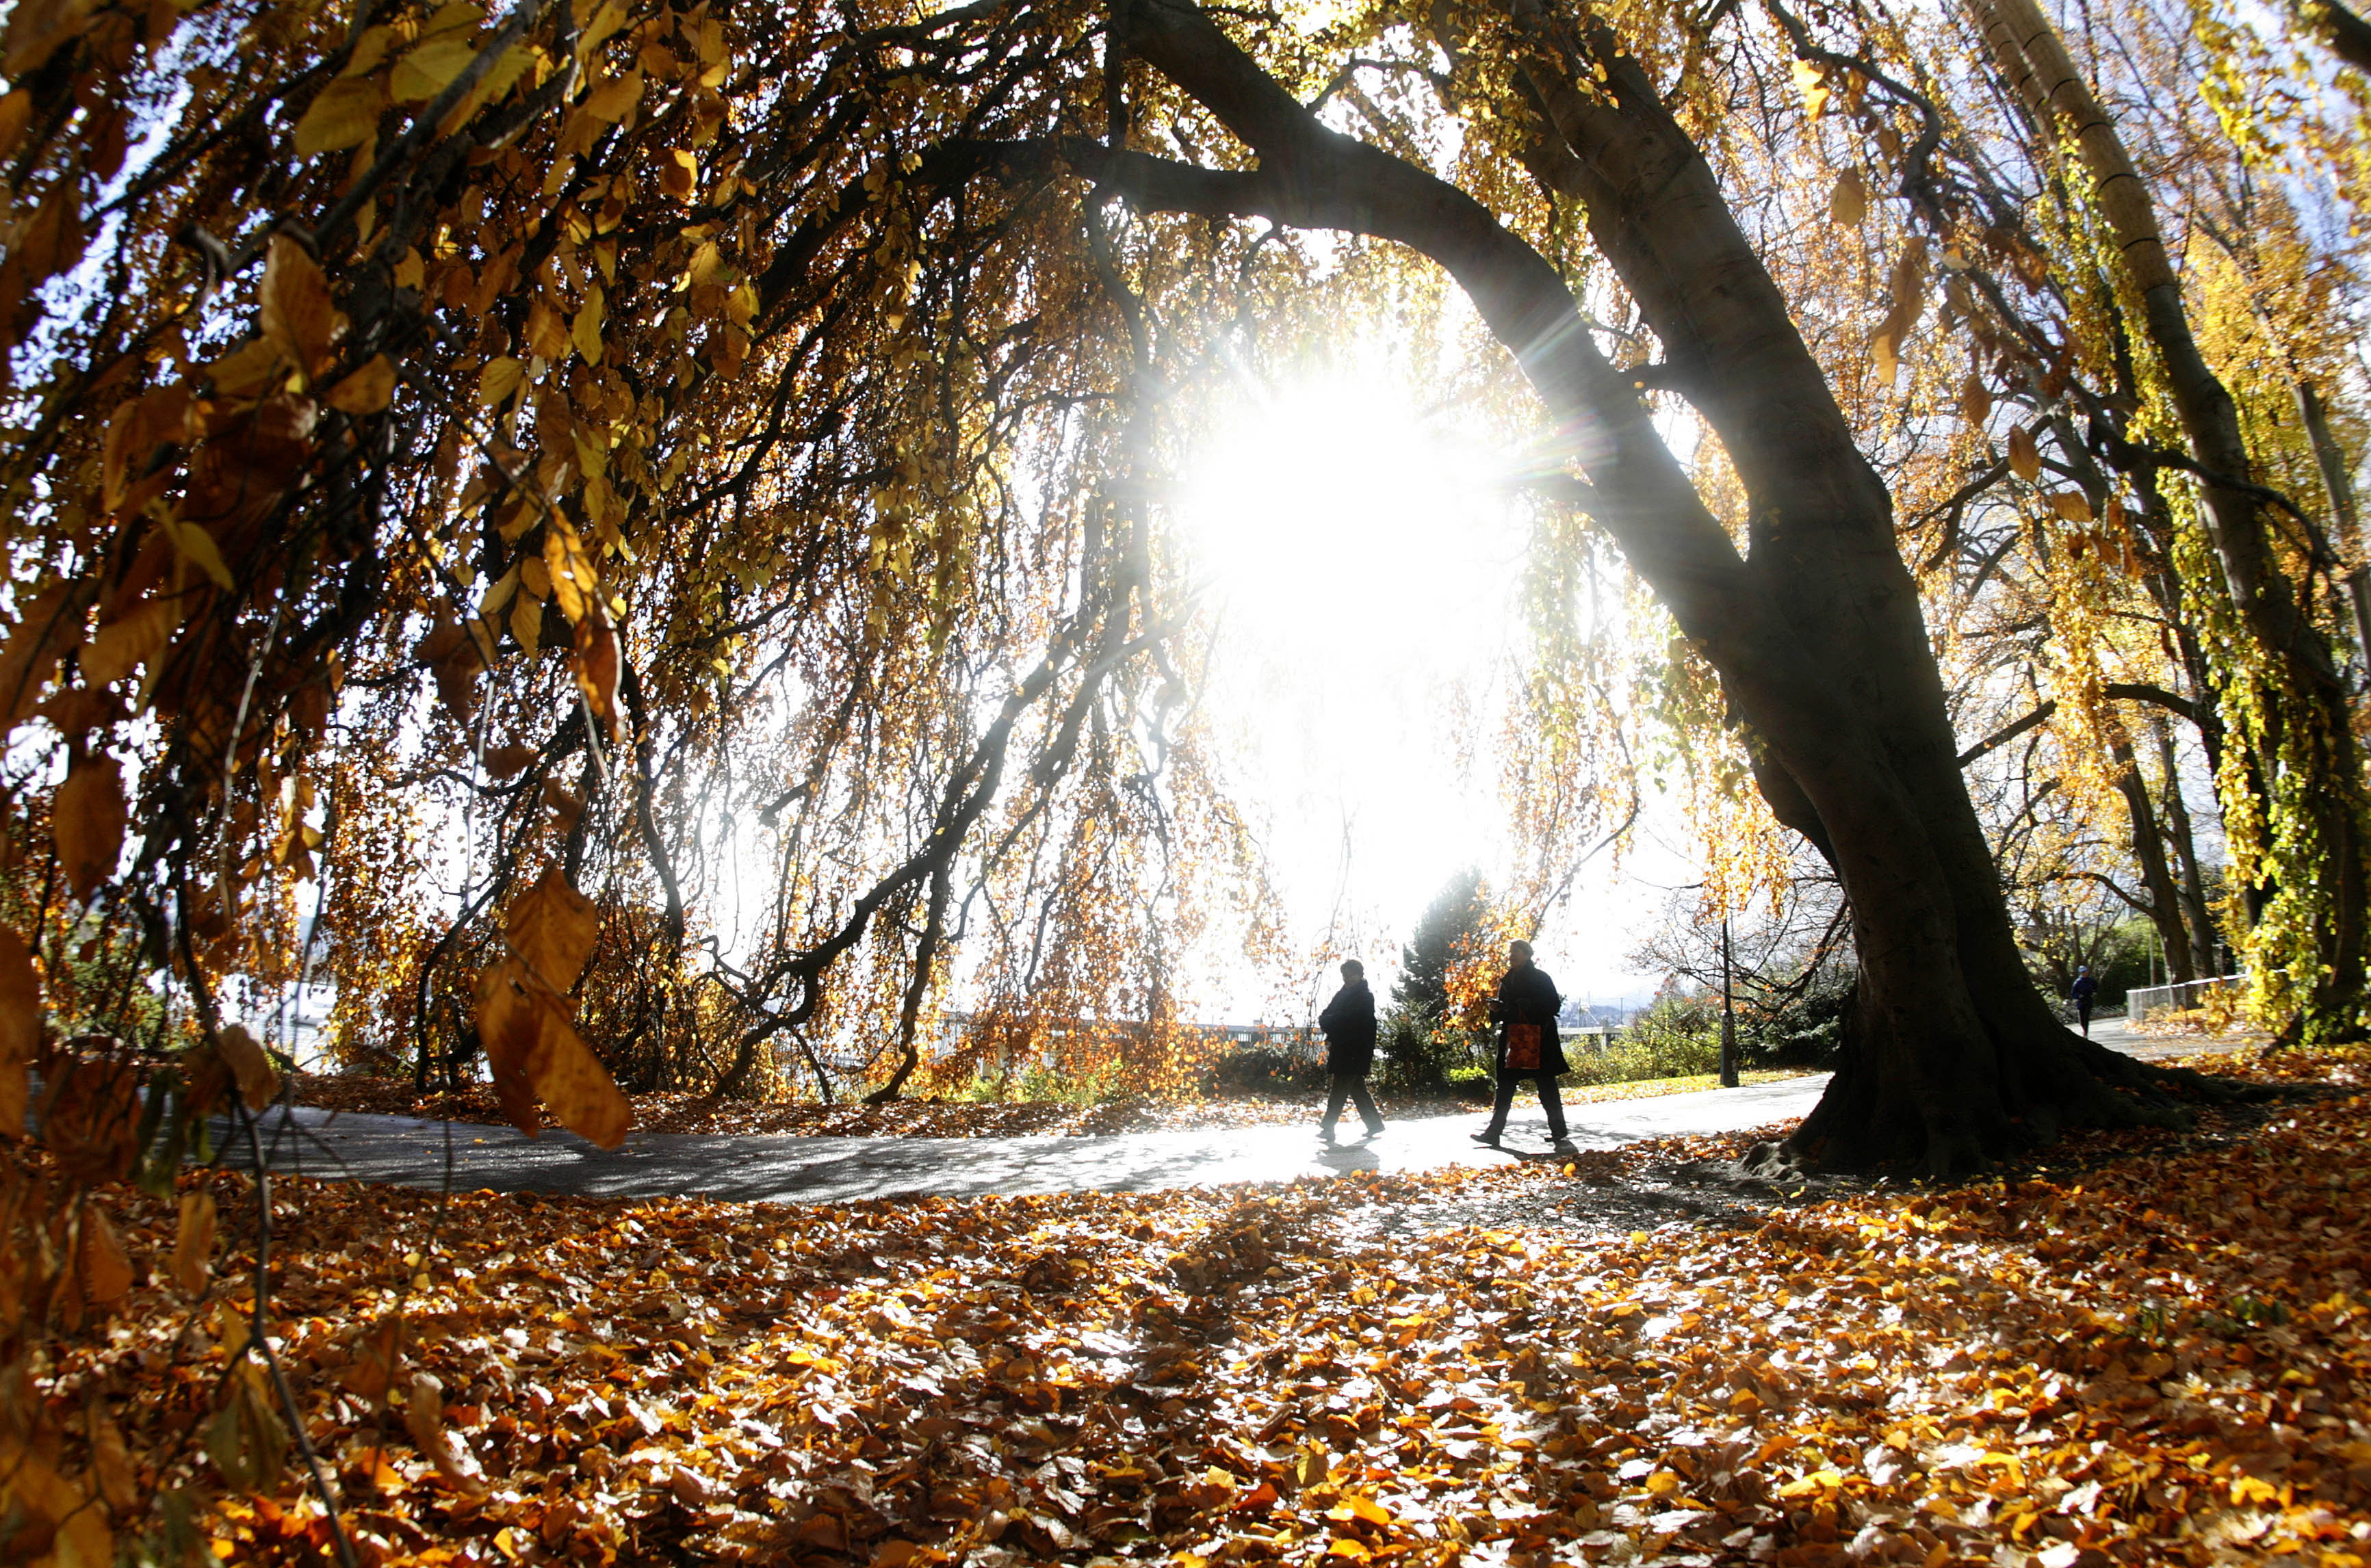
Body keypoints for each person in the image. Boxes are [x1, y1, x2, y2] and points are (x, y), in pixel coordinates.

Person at [1474, 939, 1569, 1148]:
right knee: (1505, 1087)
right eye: (1510, 953)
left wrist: (1526, 1005)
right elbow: (1503, 1012)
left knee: (1546, 1087)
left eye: (1515, 952)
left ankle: (1559, 1129)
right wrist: (1496, 1010)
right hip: (1512, 1040)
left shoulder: (1541, 978)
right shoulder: (1507, 980)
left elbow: (1553, 1005)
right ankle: (1493, 1132)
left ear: (1527, 954)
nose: (1511, 956)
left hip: (1539, 1039)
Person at [1316, 959, 1384, 1142]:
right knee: (1357, 1089)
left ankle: (1328, 1127)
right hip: (1342, 1049)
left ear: (1359, 975)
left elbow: (1353, 1022)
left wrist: (1335, 1020)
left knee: (1339, 1090)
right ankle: (1375, 1124)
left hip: (1356, 1051)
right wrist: (1335, 1020)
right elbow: (1324, 1016)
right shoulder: (1342, 995)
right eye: (1344, 975)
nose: (1347, 979)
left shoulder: (1366, 997)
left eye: (1350, 975)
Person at [2071, 965, 2098, 1037]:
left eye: (2085, 972)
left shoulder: (2091, 981)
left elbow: (2096, 988)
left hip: (2088, 1000)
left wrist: (2094, 992)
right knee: (2082, 1019)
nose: (2084, 973)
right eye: (2082, 972)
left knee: (2086, 1018)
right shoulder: (2078, 982)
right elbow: (2073, 993)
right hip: (2081, 1002)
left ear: (2087, 971)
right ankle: (2084, 1029)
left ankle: (2086, 1033)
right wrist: (2078, 996)